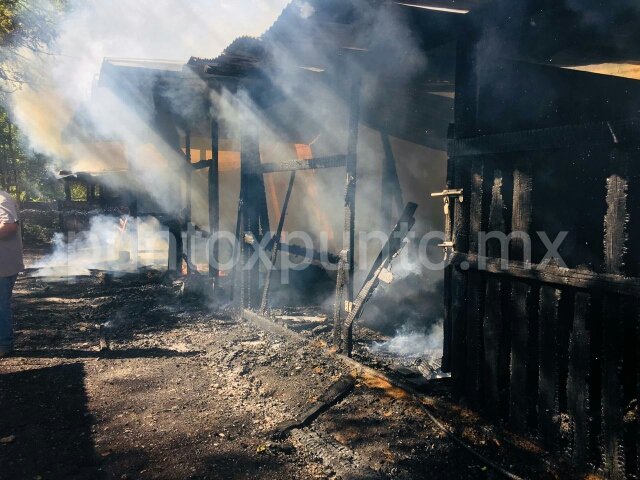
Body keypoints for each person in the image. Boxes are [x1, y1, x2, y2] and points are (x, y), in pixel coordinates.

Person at [0, 189, 24, 357]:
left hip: (3, 266)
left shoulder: (2, 199)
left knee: (1, 306)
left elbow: (9, 227)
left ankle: (4, 344)